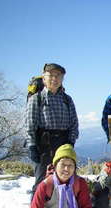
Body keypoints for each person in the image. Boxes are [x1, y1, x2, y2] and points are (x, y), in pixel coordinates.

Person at [26, 63, 79, 198]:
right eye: (51, 75)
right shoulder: (36, 99)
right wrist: (32, 145)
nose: (54, 79)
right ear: (44, 78)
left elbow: (74, 123)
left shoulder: (67, 99)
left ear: (62, 79)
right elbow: (30, 124)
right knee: (41, 180)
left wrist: (71, 142)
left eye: (58, 76)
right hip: (44, 145)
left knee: (66, 178)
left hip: (64, 143)